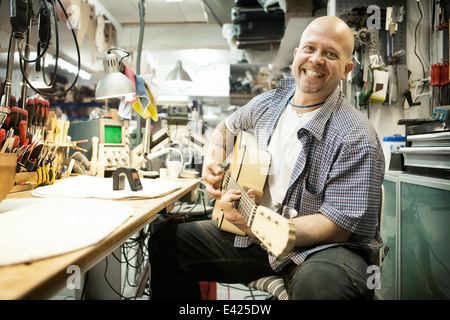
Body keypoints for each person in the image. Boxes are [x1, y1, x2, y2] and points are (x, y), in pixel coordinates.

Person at [148, 16, 385, 300]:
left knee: (322, 288)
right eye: (310, 48)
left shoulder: (356, 135)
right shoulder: (269, 103)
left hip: (324, 251)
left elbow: (336, 227)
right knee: (167, 242)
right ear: (297, 55)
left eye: (330, 53)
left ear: (346, 69)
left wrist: (255, 224)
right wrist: (213, 157)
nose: (316, 59)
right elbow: (227, 128)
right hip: (259, 240)